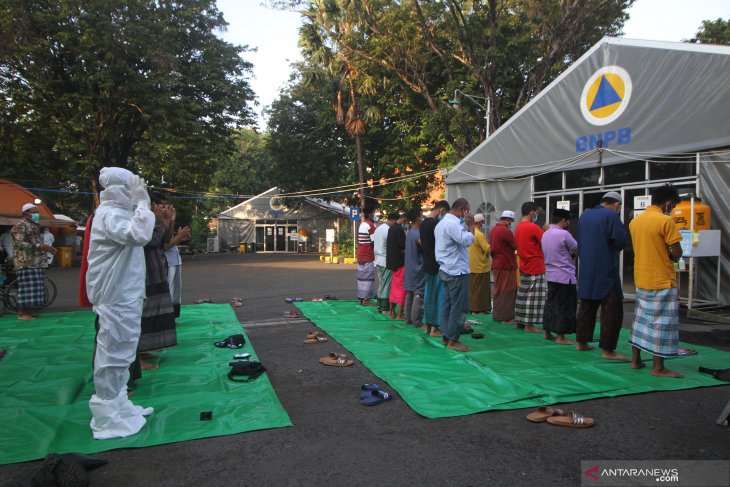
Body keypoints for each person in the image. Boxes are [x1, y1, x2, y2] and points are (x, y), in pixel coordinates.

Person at [86, 167, 156, 439]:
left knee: (123, 350)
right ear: (120, 189)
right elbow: (138, 235)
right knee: (113, 351)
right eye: (133, 188)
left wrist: (140, 205)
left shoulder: (118, 214)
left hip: (124, 294)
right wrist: (143, 203)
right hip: (115, 296)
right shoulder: (109, 214)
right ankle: (105, 417)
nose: (137, 193)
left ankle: (119, 406)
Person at [629, 184, 684, 378]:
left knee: (641, 321)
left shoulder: (635, 221)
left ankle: (636, 360)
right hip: (661, 279)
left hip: (642, 278)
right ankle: (658, 367)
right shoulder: (665, 221)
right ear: (668, 203)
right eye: (674, 204)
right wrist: (673, 257)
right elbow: (676, 251)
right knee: (662, 324)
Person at [576, 191, 628, 361]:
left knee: (587, 307)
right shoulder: (611, 217)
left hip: (586, 270)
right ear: (616, 204)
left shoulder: (585, 216)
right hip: (606, 270)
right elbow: (620, 241)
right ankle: (608, 350)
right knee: (612, 311)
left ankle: (582, 342)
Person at [137, 194, 178, 369]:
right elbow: (151, 241)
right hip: (145, 274)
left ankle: (144, 350)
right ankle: (137, 357)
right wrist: (161, 220)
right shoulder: (138, 218)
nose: (161, 209)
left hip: (157, 271)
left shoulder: (153, 220)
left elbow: (165, 241)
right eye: (158, 206)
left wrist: (170, 221)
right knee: (143, 316)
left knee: (154, 314)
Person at [435, 198, 475, 352]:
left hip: (446, 269)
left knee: (448, 305)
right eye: (467, 211)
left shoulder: (443, 224)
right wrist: (471, 225)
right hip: (456, 271)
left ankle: (446, 336)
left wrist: (466, 225)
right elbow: (467, 240)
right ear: (463, 209)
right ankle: (453, 340)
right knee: (458, 308)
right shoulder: (452, 224)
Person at [11, 203, 57, 320]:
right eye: (33, 212)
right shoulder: (21, 225)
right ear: (25, 214)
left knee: (35, 287)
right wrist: (39, 246)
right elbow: (19, 243)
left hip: (35, 262)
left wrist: (46, 247)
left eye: (37, 212)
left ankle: (29, 311)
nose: (37, 214)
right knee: (26, 287)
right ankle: (22, 313)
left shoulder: (34, 225)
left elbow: (38, 244)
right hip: (26, 261)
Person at [541, 209, 578, 344]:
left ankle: (547, 331)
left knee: (550, 304)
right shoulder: (564, 234)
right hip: (564, 276)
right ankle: (561, 336)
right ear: (563, 220)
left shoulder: (545, 234)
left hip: (551, 275)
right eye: (567, 221)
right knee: (564, 306)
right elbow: (576, 248)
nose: (568, 223)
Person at [513, 202, 546, 334]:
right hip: (535, 264)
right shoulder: (533, 228)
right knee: (533, 297)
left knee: (523, 294)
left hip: (524, 263)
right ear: (532, 212)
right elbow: (545, 241)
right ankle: (529, 325)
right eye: (536, 211)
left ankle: (520, 321)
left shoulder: (518, 227)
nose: (536, 214)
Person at [420, 201, 450, 337]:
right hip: (436, 265)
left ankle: (428, 325)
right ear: (442, 210)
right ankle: (435, 328)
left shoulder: (423, 223)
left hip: (426, 263)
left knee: (428, 295)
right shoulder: (436, 225)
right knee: (438, 297)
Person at [159, 195, 191, 318]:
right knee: (168, 292)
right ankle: (166, 317)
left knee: (176, 292)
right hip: (166, 262)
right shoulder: (155, 223)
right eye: (162, 206)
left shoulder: (165, 222)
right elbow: (166, 245)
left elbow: (170, 240)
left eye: (166, 206)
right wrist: (180, 236)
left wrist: (182, 236)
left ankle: (172, 317)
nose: (166, 208)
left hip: (175, 260)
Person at [489, 210, 517, 324]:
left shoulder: (493, 230)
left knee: (498, 290)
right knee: (508, 291)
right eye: (511, 221)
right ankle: (506, 318)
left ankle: (497, 315)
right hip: (506, 265)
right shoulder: (505, 231)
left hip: (496, 263)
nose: (511, 223)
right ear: (508, 220)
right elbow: (515, 245)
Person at [403, 208, 424, 327]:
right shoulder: (418, 234)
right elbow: (424, 248)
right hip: (418, 267)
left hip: (410, 267)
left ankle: (408, 318)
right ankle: (416, 321)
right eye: (421, 216)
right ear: (417, 218)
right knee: (418, 295)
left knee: (410, 294)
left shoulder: (410, 231)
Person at [373, 212, 397, 314]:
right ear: (393, 220)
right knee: (386, 284)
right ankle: (385, 308)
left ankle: (379, 305)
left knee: (382, 284)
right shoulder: (388, 230)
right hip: (385, 260)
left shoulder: (379, 228)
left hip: (378, 259)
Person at [468, 213, 491, 314]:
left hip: (470, 265)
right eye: (482, 222)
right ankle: (477, 310)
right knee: (480, 290)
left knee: (473, 289)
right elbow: (487, 249)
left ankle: (471, 308)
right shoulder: (480, 234)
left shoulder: (470, 232)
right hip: (480, 266)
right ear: (480, 223)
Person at [386, 213, 408, 319]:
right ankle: (400, 313)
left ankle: (391, 311)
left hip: (393, 263)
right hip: (400, 262)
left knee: (394, 288)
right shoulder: (399, 230)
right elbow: (404, 246)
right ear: (403, 219)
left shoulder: (391, 228)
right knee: (402, 288)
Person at [355, 206, 377, 306]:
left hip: (360, 254)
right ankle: (366, 300)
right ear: (370, 214)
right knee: (369, 278)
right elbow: (374, 241)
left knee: (361, 277)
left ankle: (361, 297)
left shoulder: (362, 224)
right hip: (368, 255)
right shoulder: (371, 226)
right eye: (373, 213)